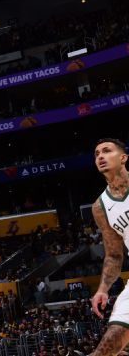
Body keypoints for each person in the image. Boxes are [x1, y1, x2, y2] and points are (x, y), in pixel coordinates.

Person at [85, 138, 129, 356]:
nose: (100, 156)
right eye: (96, 153)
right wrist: (103, 289)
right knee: (107, 347)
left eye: (106, 151)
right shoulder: (100, 206)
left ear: (123, 158)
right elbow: (113, 254)